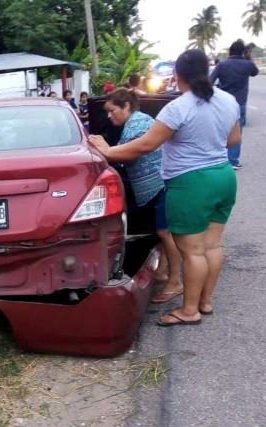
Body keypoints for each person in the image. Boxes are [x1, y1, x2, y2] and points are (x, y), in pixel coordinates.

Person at [89, 49, 241, 326]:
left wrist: (107, 151)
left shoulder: (178, 107)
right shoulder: (228, 100)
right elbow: (233, 139)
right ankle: (205, 302)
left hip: (192, 183)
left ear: (177, 75)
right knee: (212, 246)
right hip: (225, 177)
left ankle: (190, 310)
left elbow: (146, 145)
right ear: (206, 71)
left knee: (192, 251)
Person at [88, 89, 183, 302]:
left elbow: (131, 153)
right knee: (164, 233)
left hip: (161, 186)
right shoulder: (133, 124)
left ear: (127, 106)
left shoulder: (139, 124)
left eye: (112, 110)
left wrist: (106, 149)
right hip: (161, 186)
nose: (109, 116)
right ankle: (163, 271)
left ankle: (175, 281)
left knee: (166, 233)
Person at [210, 39, 258, 170]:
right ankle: (233, 161)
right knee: (237, 131)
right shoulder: (247, 64)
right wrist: (248, 57)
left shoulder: (222, 65)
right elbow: (255, 72)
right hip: (240, 103)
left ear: (230, 52)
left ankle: (218, 158)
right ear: (242, 52)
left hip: (223, 103)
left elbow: (210, 81)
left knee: (220, 129)